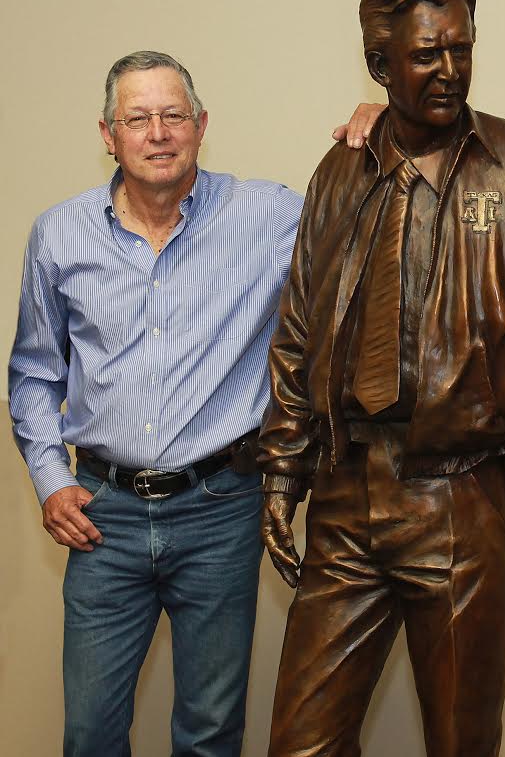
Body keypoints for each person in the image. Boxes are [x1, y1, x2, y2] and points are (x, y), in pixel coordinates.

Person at [259, 0, 505, 757]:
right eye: (428, 55)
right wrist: (283, 470)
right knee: (301, 743)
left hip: (462, 502)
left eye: (462, 50)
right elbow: (297, 335)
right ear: (382, 65)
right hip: (346, 497)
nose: (451, 71)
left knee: (461, 741)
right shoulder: (337, 175)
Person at [8, 50, 382, 757]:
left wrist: (384, 127)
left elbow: (363, 224)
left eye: (173, 115)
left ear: (201, 125)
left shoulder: (267, 216)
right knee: (89, 733)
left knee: (210, 732)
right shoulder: (59, 235)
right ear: (108, 134)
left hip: (221, 510)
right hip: (102, 512)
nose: (158, 133)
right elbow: (32, 372)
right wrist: (50, 478)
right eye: (138, 118)